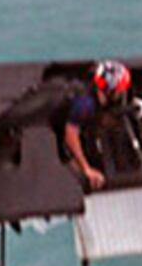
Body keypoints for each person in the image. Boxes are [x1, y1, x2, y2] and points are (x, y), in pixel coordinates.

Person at [57, 59, 134, 192]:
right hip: (57, 134)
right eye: (119, 90)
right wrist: (86, 169)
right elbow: (70, 133)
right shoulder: (86, 104)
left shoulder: (89, 88)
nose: (121, 94)